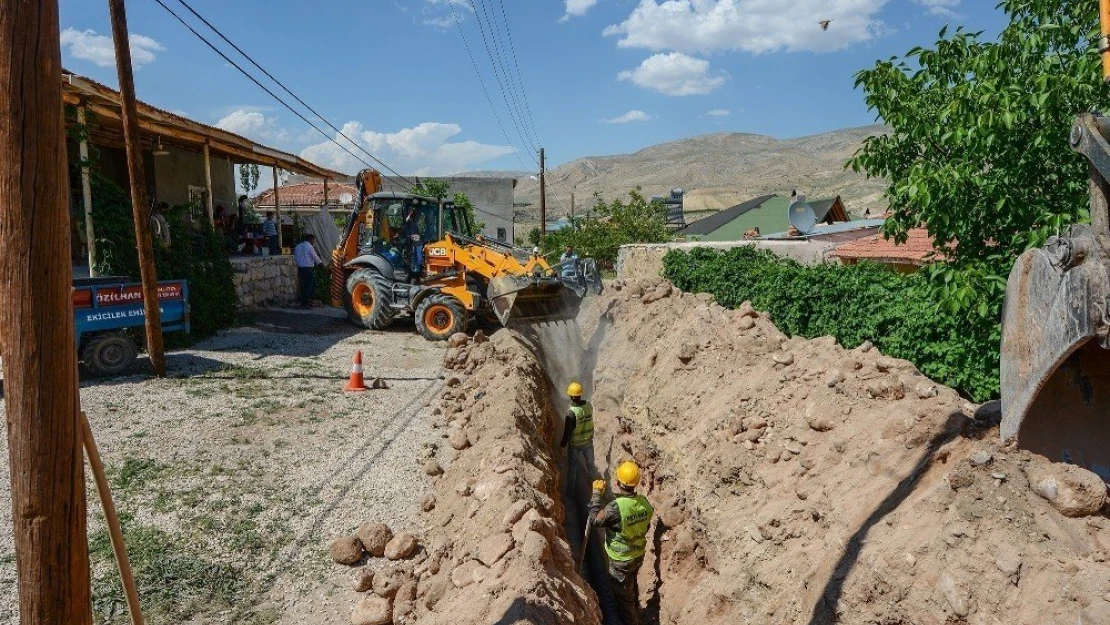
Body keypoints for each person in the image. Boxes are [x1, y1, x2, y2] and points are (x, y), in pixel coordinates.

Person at [589, 461, 653, 625]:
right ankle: (634, 605)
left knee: (623, 597)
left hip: (620, 560)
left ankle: (631, 620)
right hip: (637, 555)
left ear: (618, 482)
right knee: (631, 583)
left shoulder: (615, 508)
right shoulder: (645, 503)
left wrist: (596, 494)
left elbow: (595, 520)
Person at [559, 382, 594, 493]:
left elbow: (567, 432)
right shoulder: (588, 405)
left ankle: (570, 492)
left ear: (570, 396)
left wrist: (562, 445)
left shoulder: (571, 413)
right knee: (590, 464)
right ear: (580, 394)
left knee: (573, 467)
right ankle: (594, 486)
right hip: (588, 441)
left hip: (575, 444)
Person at [293, 233, 324, 308]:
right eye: (313, 240)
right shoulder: (309, 247)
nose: (314, 241)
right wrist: (320, 264)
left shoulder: (298, 246)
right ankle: (305, 303)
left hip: (300, 268)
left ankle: (306, 301)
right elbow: (315, 256)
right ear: (310, 239)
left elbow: (295, 257)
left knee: (306, 285)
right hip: (307, 268)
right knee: (309, 286)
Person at [402, 209, 424, 279]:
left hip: (418, 243)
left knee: (418, 256)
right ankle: (415, 269)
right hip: (413, 243)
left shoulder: (414, 223)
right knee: (414, 255)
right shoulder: (410, 222)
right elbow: (406, 221)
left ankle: (418, 269)